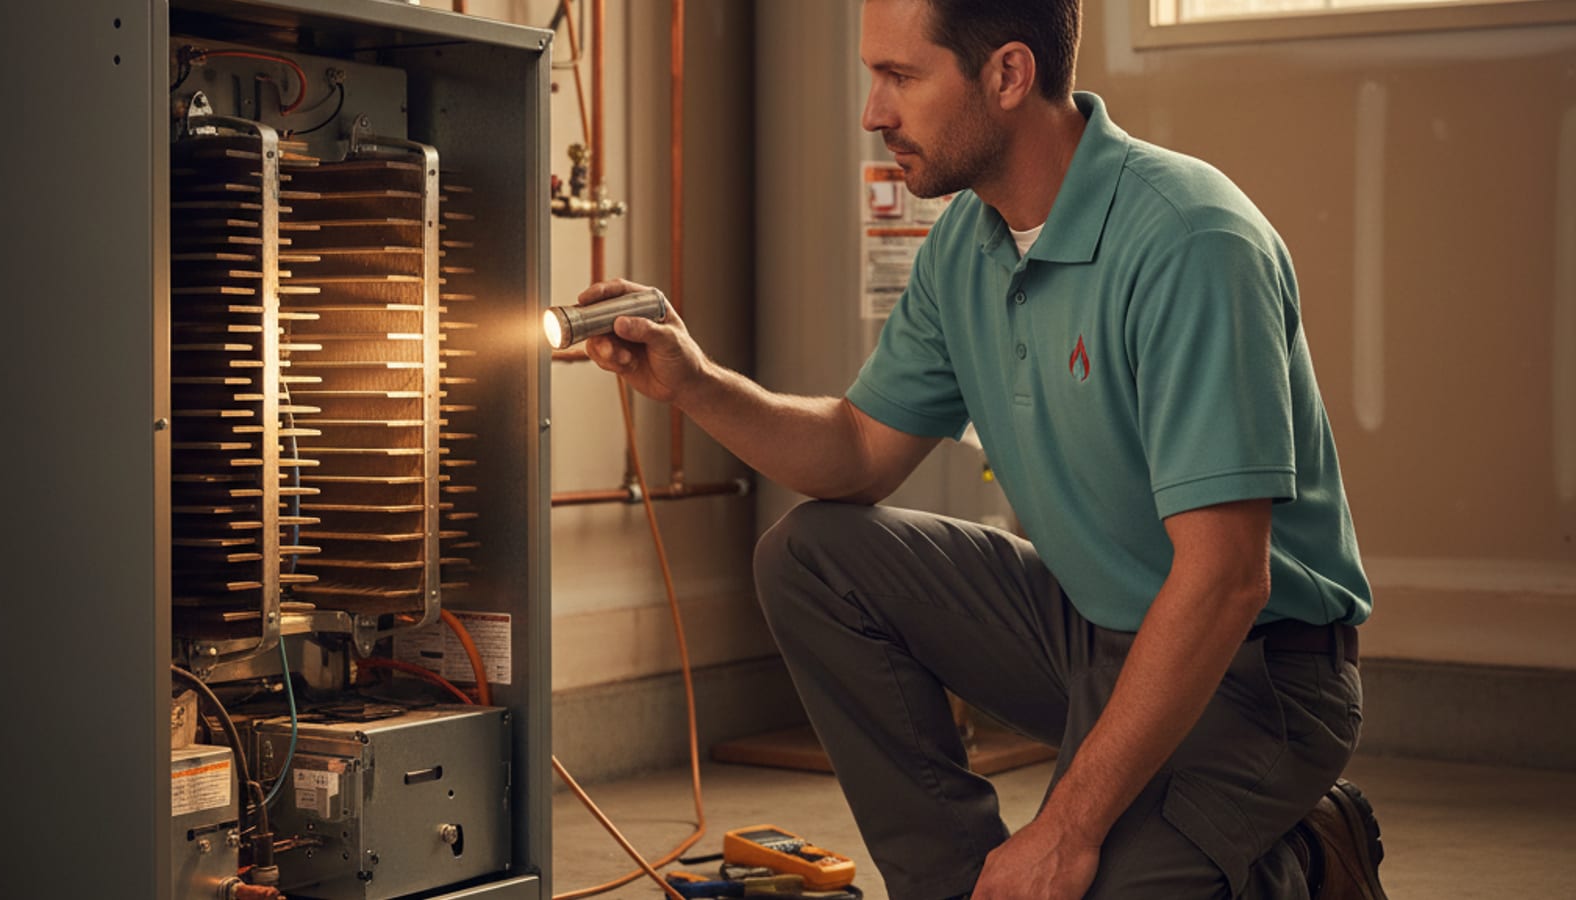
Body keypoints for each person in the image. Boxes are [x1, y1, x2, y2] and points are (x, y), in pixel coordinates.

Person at [577, 0, 1389, 897]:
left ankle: (1309, 856)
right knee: (813, 558)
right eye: (870, 78)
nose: (872, 112)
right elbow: (856, 453)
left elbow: (1227, 578)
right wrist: (695, 383)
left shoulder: (1192, 242)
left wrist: (1066, 830)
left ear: (1007, 75)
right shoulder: (967, 243)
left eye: (901, 77)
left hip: (1257, 672)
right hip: (1090, 633)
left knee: (1095, 873)